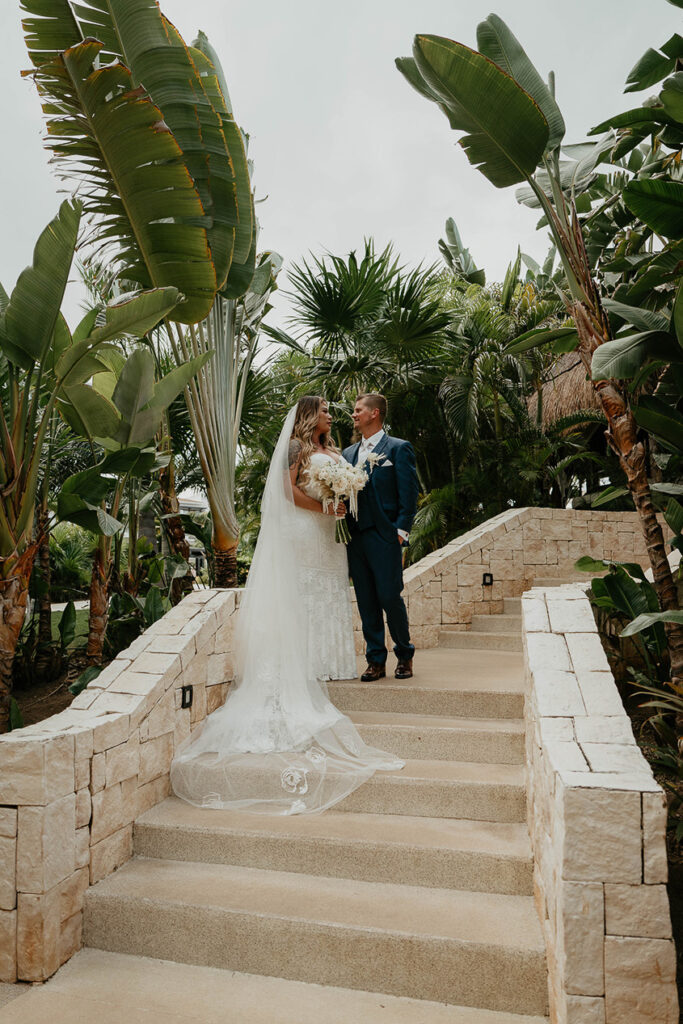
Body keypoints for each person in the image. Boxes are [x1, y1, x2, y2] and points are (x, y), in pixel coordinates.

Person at [170, 397, 403, 815]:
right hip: (303, 528)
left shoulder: (337, 450)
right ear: (311, 415)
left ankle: (328, 661)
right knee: (304, 595)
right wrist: (324, 505)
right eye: (328, 410)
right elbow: (285, 491)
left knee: (328, 593)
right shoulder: (296, 448)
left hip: (329, 535)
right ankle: (300, 665)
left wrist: (341, 500)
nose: (334, 415)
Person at [343, 393, 418, 681]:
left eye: (358, 410)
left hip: (385, 536)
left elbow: (408, 492)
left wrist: (400, 532)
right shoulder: (348, 454)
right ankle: (375, 660)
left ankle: (404, 654)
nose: (354, 414)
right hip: (356, 538)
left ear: (375, 413)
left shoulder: (398, 448)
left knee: (389, 597)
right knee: (366, 601)